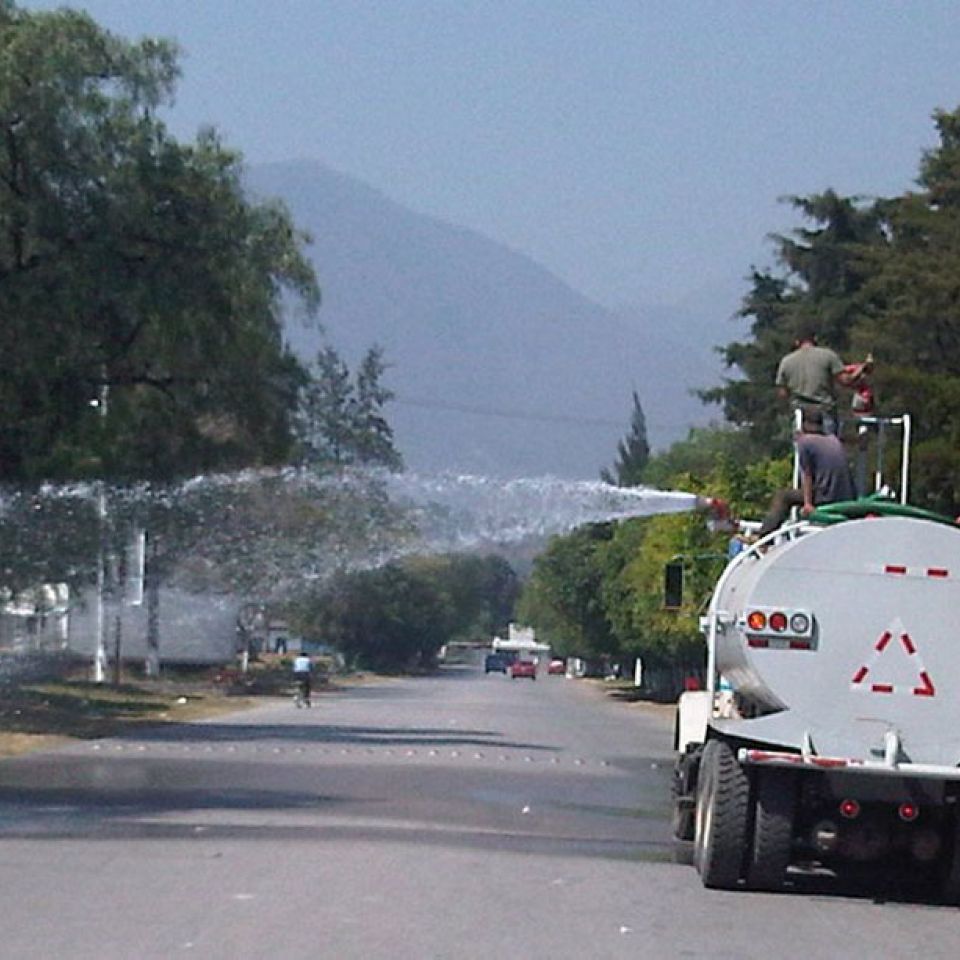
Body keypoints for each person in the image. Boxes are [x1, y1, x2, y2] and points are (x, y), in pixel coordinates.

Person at [757, 407, 855, 538]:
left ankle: (764, 535)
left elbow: (807, 475)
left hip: (826, 496)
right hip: (846, 495)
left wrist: (808, 504)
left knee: (783, 496)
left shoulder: (805, 443)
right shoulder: (833, 439)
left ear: (804, 424)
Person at [775, 325, 869, 436]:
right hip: (825, 411)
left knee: (802, 450)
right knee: (828, 451)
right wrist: (862, 369)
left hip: (800, 415)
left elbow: (782, 393)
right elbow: (846, 381)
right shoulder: (828, 356)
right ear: (815, 338)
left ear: (797, 342)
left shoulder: (786, 361)